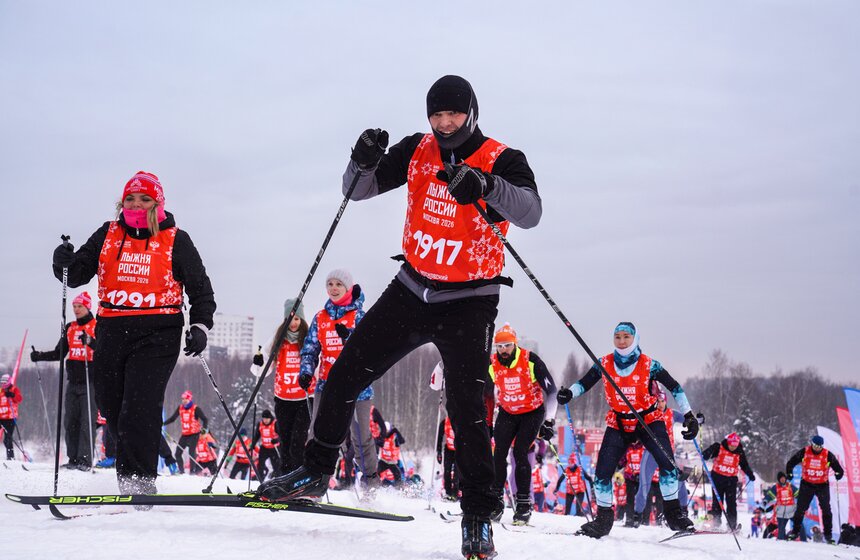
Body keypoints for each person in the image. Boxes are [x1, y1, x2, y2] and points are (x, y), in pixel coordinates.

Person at [258, 75, 541, 559]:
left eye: (453, 114)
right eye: (437, 115)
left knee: (468, 409)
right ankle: (315, 470)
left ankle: (477, 514)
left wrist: (486, 186)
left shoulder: (501, 157)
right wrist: (360, 160)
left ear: (471, 113)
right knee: (344, 372)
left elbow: (531, 211)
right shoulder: (419, 150)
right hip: (413, 287)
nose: (445, 123)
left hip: (470, 298)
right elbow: (357, 191)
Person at [51, 171, 216, 496]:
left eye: (145, 199)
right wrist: (63, 264)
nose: (137, 204)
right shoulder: (108, 234)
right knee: (111, 405)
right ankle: (130, 472)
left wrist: (199, 326)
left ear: (158, 204)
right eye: (131, 199)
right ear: (121, 202)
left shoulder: (175, 239)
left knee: (139, 404)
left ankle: (138, 483)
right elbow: (78, 274)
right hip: (113, 327)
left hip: (159, 330)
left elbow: (201, 290)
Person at [557, 322, 698, 538]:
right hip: (619, 423)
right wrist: (570, 394)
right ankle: (603, 520)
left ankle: (673, 515)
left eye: (626, 337)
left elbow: (675, 387)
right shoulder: (604, 363)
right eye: (618, 337)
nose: (621, 341)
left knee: (668, 466)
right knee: (602, 473)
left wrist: (688, 415)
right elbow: (585, 383)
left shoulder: (650, 364)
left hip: (648, 421)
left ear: (635, 339)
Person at [299, 269, 379, 488]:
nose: (333, 288)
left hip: (357, 389)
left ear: (348, 288)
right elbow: (310, 350)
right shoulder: (320, 317)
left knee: (360, 438)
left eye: (338, 285)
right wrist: (306, 371)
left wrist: (350, 339)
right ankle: (313, 479)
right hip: (326, 386)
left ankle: (371, 484)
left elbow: (371, 350)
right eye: (330, 284)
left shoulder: (360, 316)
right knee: (316, 434)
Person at [487, 323, 557, 525]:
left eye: (507, 345)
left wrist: (549, 422)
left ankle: (524, 505)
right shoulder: (492, 364)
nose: (503, 350)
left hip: (532, 413)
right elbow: (487, 394)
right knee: (498, 453)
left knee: (520, 452)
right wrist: (488, 421)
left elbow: (551, 392)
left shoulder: (530, 360)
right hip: (508, 412)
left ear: (515, 345)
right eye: (499, 346)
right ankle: (496, 502)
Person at [31, 291, 98, 470]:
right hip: (73, 382)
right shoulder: (70, 327)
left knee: (86, 422)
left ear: (87, 307)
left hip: (90, 381)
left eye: (80, 306)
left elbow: (106, 351)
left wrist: (90, 342)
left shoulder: (96, 325)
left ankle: (85, 460)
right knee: (70, 421)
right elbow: (59, 352)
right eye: (74, 307)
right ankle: (73, 459)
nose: (76, 310)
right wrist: (39, 356)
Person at [251, 298, 311, 474]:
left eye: (297, 319)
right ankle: (284, 478)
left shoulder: (308, 338)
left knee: (298, 441)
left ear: (302, 320)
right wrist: (258, 362)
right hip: (283, 398)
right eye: (290, 318)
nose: (293, 323)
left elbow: (318, 363)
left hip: (304, 398)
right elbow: (261, 371)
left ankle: (298, 478)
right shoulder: (278, 339)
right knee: (285, 441)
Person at [633, 390, 687, 526]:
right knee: (644, 485)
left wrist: (697, 420)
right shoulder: (648, 414)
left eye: (663, 401)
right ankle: (637, 515)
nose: (660, 404)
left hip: (667, 454)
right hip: (650, 453)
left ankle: (683, 513)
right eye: (658, 401)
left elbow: (688, 419)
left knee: (679, 484)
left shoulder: (672, 414)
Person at [785, 434, 844, 543]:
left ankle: (828, 535)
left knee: (826, 510)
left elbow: (838, 468)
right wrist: (789, 473)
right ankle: (795, 532)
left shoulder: (827, 454)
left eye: (819, 446)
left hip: (822, 485)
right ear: (812, 444)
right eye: (815, 446)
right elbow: (791, 462)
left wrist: (839, 474)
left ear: (822, 446)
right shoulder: (805, 451)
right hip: (807, 484)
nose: (817, 448)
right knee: (800, 509)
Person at [701, 432, 755, 530]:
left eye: (735, 445)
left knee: (731, 504)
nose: (733, 447)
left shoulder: (739, 452)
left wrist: (750, 474)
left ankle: (732, 525)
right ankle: (716, 523)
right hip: (717, 479)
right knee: (717, 502)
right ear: (728, 442)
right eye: (731, 445)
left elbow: (744, 465)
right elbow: (706, 454)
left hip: (731, 481)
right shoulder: (719, 447)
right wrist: (707, 453)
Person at [163, 390, 209, 474]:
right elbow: (173, 419)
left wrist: (203, 431)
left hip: (194, 434)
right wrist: (163, 423)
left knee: (191, 453)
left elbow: (205, 419)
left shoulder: (196, 408)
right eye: (182, 399)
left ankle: (192, 472)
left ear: (190, 399)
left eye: (186, 399)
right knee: (177, 453)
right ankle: (181, 471)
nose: (184, 401)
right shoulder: (180, 408)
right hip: (185, 435)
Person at [618, 440, 644, 526]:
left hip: (641, 477)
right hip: (630, 476)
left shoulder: (643, 448)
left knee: (641, 497)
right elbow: (622, 462)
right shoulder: (627, 448)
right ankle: (629, 520)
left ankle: (641, 519)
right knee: (630, 498)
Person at [251, 409, 281, 481]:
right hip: (264, 447)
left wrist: (276, 440)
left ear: (270, 418)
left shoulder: (275, 423)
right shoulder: (260, 424)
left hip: (274, 448)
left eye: (267, 419)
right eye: (264, 418)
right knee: (260, 465)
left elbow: (281, 435)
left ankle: (278, 480)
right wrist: (253, 443)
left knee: (276, 466)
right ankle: (260, 480)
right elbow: (257, 435)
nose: (265, 420)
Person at [436, 414, 459, 501]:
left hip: (459, 449)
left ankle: (455, 494)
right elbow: (439, 437)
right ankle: (448, 492)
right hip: (449, 449)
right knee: (447, 471)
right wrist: (439, 452)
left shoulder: (461, 420)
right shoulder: (445, 422)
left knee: (457, 473)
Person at [0, 374, 23, 460]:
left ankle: (10, 457)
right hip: (1, 418)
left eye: (4, 382)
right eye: (1, 382)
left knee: (7, 439)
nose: (3, 384)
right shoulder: (0, 391)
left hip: (10, 418)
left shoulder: (14, 389)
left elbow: (19, 399)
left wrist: (12, 395)